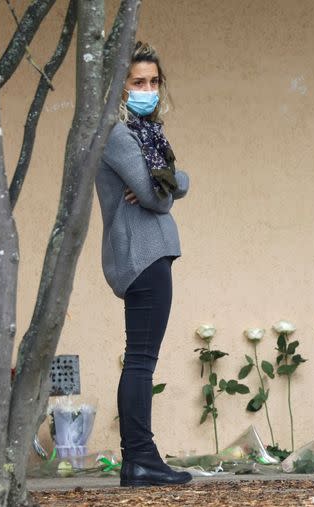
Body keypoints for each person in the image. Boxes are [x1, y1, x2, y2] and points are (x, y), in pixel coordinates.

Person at [96, 41, 191, 487]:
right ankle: (139, 458)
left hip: (150, 252)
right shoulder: (119, 135)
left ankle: (140, 458)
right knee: (140, 361)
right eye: (138, 82)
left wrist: (168, 185)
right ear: (121, 87)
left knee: (140, 359)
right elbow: (157, 194)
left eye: (153, 82)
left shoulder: (148, 135)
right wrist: (166, 188)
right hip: (142, 254)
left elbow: (168, 183)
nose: (147, 89)